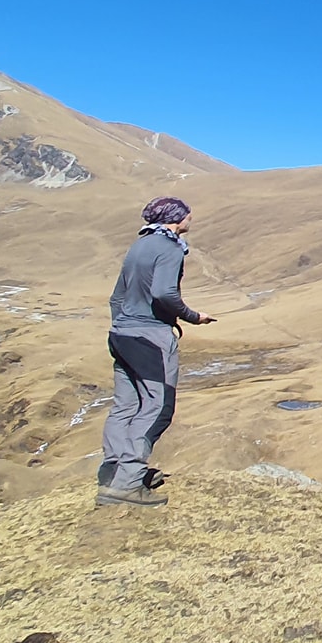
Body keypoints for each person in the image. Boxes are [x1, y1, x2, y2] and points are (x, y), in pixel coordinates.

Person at [96, 196, 216, 506]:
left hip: (122, 334)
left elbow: (116, 297)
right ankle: (127, 484)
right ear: (178, 219)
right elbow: (163, 293)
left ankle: (112, 474)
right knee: (157, 408)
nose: (191, 218)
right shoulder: (170, 248)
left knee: (125, 405)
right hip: (150, 336)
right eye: (188, 214)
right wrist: (192, 317)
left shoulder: (140, 245)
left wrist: (123, 326)